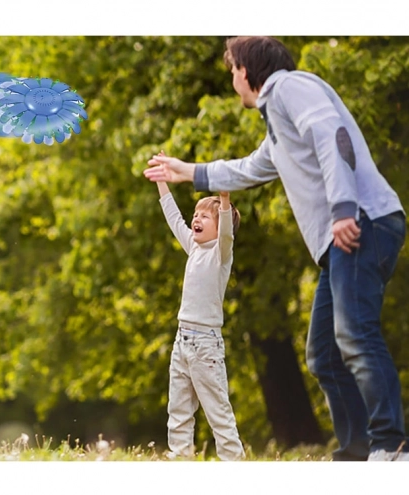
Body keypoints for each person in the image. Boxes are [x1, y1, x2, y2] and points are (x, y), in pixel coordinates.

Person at [144, 36, 408, 462]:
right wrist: (186, 171)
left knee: (355, 334)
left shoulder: (290, 87)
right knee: (323, 353)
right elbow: (249, 168)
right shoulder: (279, 125)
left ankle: (391, 446)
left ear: (247, 72)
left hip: (362, 223)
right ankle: (358, 453)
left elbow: (332, 134)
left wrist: (343, 208)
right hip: (337, 244)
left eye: (232, 71)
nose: (232, 79)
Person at [153, 155, 245, 461]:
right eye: (196, 214)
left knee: (218, 411)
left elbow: (227, 231)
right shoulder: (193, 247)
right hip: (182, 342)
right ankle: (181, 460)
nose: (197, 219)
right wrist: (163, 184)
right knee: (178, 410)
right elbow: (173, 219)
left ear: (220, 227)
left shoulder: (221, 253)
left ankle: (234, 464)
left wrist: (223, 197)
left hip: (206, 346)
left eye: (206, 217)